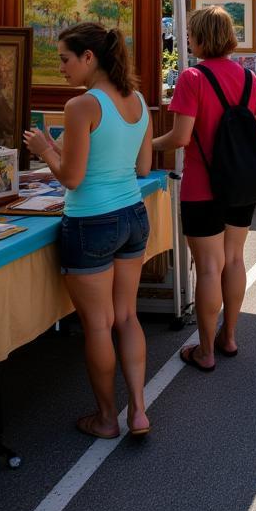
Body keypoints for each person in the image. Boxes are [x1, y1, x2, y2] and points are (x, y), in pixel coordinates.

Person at [23, 23, 153, 439]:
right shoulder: (138, 101)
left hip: (91, 222)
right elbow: (143, 167)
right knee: (127, 317)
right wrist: (59, 152)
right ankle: (138, 411)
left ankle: (105, 417)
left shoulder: (82, 106)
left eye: (64, 59)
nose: (61, 68)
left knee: (98, 325)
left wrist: (46, 152)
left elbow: (73, 179)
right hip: (132, 213)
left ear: (88, 58)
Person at [153, 7, 256, 372]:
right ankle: (229, 336)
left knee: (207, 267)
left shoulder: (192, 78)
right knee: (234, 259)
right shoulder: (249, 78)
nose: (187, 39)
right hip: (240, 184)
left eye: (191, 33)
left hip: (202, 185)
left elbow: (181, 136)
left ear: (201, 37)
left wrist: (149, 145)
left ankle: (205, 350)